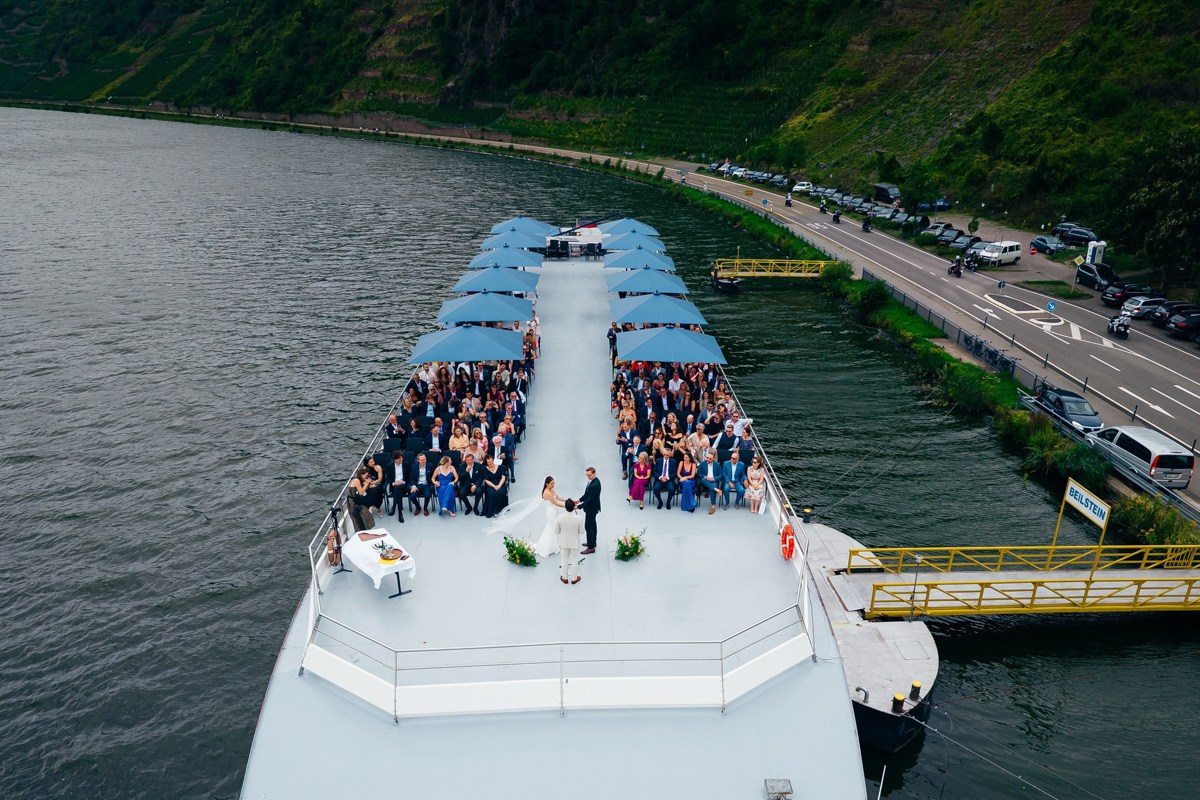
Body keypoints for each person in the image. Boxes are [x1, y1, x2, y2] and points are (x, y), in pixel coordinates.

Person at [533, 476, 567, 558]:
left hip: (554, 511)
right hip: (551, 511)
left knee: (552, 528)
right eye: (551, 483)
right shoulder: (546, 493)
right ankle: (547, 548)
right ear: (547, 484)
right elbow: (556, 502)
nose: (553, 485)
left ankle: (554, 545)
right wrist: (568, 506)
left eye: (554, 483)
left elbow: (557, 497)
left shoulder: (551, 489)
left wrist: (566, 500)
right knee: (551, 527)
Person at [556, 499, 583, 584]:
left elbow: (556, 531)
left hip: (564, 542)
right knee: (574, 560)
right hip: (574, 542)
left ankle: (564, 577)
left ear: (565, 507)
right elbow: (582, 531)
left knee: (564, 560)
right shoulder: (578, 518)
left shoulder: (559, 518)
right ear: (574, 507)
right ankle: (574, 578)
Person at [576, 467, 601, 554]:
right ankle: (593, 542)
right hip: (592, 507)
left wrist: (579, 506)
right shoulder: (592, 481)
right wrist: (579, 500)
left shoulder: (595, 485)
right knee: (593, 524)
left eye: (589, 475)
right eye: (587, 475)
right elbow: (587, 493)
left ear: (594, 473)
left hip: (592, 508)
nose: (588, 477)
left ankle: (591, 547)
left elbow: (590, 499)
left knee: (588, 526)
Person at [389, 452, 407, 522]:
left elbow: (408, 477)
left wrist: (402, 482)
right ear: (395, 460)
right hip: (395, 485)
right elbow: (389, 478)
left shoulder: (406, 464)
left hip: (403, 484)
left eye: (401, 458)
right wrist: (394, 483)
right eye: (399, 458)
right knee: (398, 491)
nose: (401, 459)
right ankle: (400, 513)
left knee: (398, 489)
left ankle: (394, 506)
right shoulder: (390, 466)